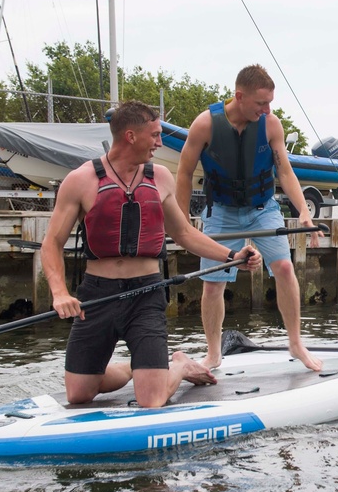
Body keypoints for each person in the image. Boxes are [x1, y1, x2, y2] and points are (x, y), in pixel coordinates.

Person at [41, 100, 262, 407]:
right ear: (131, 136)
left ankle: (178, 366)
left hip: (146, 294)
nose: (160, 142)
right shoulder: (81, 180)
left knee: (152, 398)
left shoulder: (159, 178)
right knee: (79, 394)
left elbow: (184, 233)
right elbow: (51, 243)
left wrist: (232, 255)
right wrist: (60, 293)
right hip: (97, 295)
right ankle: (139, 368)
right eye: (155, 135)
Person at [176, 64, 322, 371]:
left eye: (270, 102)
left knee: (284, 267)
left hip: (263, 209)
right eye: (261, 103)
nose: (267, 109)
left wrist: (304, 213)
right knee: (213, 284)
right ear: (239, 96)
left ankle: (295, 343)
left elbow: (284, 170)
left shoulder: (271, 125)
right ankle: (214, 353)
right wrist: (179, 217)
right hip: (222, 212)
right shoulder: (205, 125)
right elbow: (185, 173)